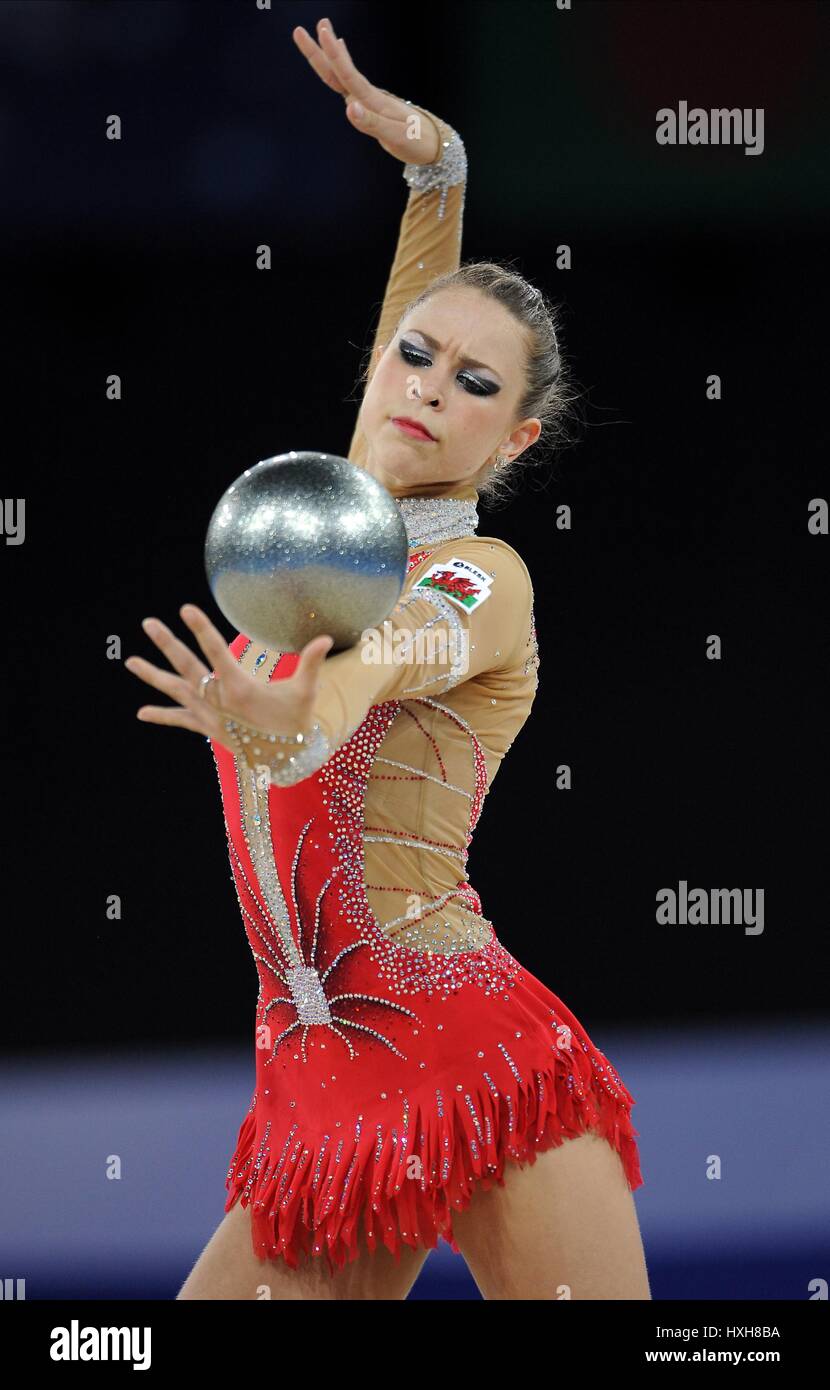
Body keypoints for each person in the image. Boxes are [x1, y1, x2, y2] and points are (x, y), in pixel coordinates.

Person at [125, 17, 651, 1301]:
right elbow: (427, 285)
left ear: (514, 441)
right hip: (312, 1088)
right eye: (413, 353)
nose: (427, 386)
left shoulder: (473, 583)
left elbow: (374, 667)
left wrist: (292, 718)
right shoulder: (329, 535)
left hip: (475, 1065)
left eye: (475, 384)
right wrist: (433, 158)